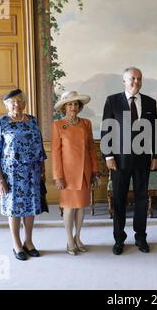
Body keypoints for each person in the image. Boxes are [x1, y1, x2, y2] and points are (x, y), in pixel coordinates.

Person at [100, 67, 157, 255]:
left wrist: (156, 155)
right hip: (119, 161)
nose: (136, 82)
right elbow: (106, 130)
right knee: (119, 199)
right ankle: (119, 239)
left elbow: (155, 132)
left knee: (142, 199)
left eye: (139, 79)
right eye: (132, 78)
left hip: (143, 160)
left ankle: (140, 237)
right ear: (124, 81)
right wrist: (108, 156)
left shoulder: (150, 102)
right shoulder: (112, 101)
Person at [0, 89, 47, 261]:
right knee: (14, 209)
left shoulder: (32, 121)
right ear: (6, 104)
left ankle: (28, 242)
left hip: (32, 173)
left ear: (24, 104)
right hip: (11, 176)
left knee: (30, 208)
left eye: (20, 101)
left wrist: (42, 169)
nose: (17, 104)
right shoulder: (1, 123)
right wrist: (0, 179)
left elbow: (40, 147)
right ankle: (16, 244)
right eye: (12, 102)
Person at [52, 91, 99, 255]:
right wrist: (58, 176)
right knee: (69, 208)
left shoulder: (86, 123)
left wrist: (94, 171)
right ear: (65, 107)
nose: (73, 107)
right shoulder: (58, 125)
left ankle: (78, 237)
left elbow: (92, 149)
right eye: (70, 104)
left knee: (81, 207)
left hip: (85, 172)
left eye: (76, 104)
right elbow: (56, 153)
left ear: (80, 107)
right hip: (67, 175)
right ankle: (69, 240)